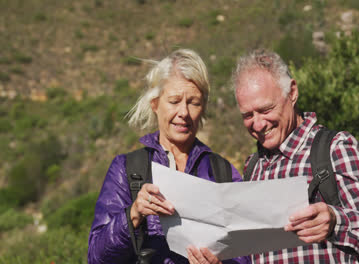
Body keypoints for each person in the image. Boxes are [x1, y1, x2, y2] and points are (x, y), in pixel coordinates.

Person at [193, 49, 359, 263]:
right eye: (248, 115)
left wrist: (336, 222)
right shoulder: (253, 168)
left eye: (266, 109)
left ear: (292, 93)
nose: (258, 124)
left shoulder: (334, 149)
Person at [88, 49, 250, 264]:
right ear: (155, 104)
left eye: (193, 102)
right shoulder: (128, 169)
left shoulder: (222, 172)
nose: (183, 112)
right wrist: (134, 214)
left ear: (203, 108)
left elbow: (244, 255)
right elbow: (97, 257)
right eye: (174, 101)